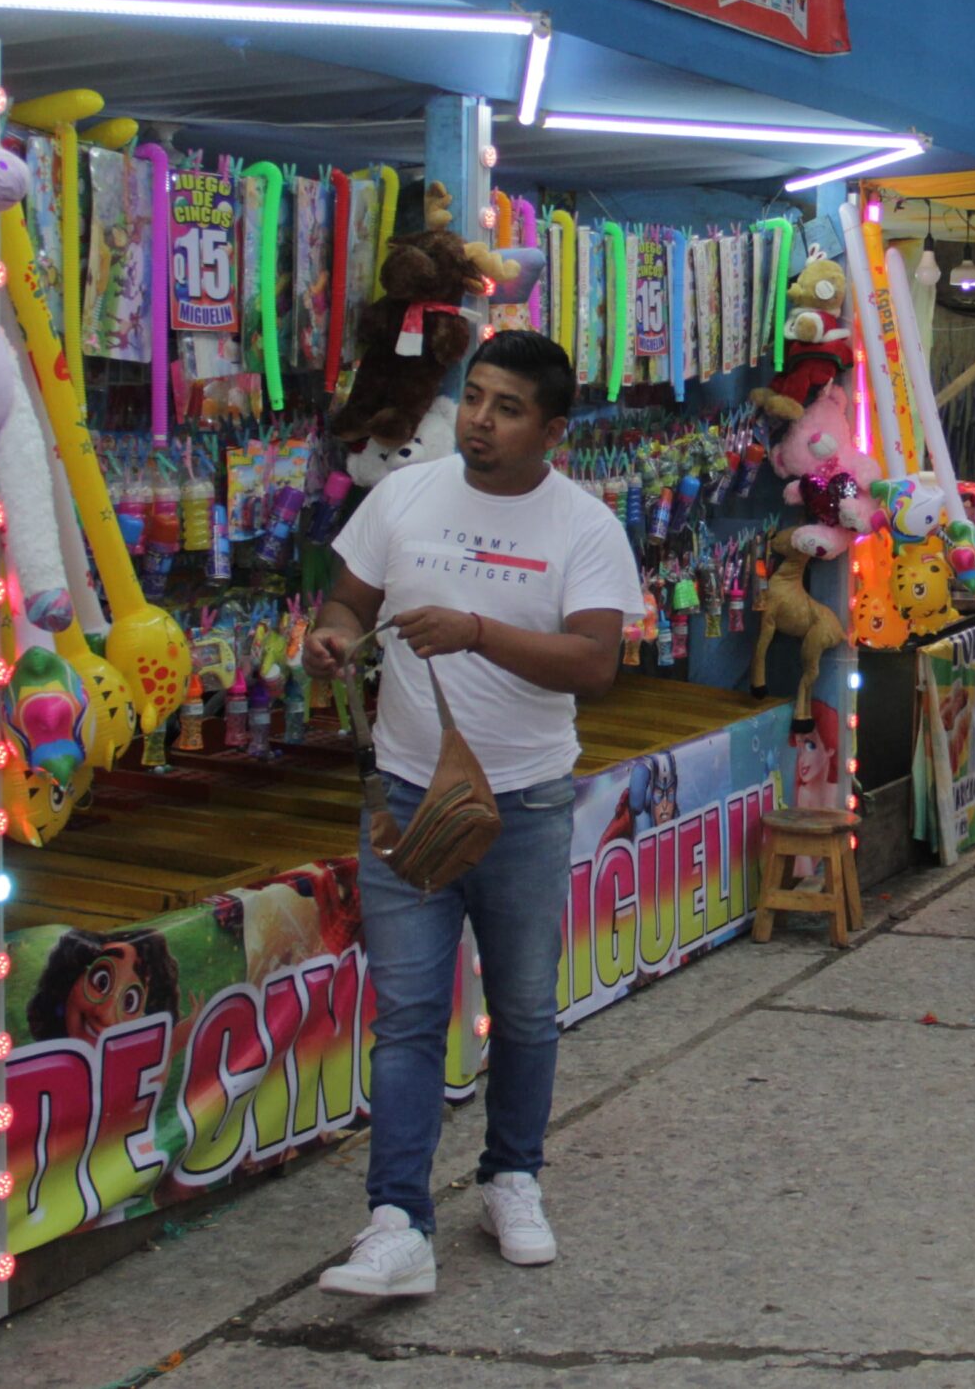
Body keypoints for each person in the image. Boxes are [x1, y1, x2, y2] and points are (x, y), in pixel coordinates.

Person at [306, 330, 643, 1298]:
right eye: (474, 397)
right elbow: (343, 603)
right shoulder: (404, 495)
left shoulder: (582, 524)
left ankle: (511, 1175)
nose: (479, 420)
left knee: (527, 1009)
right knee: (408, 1012)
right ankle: (395, 1220)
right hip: (409, 794)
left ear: (553, 429)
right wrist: (329, 642)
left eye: (505, 407)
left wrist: (478, 632)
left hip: (526, 802)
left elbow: (595, 662)